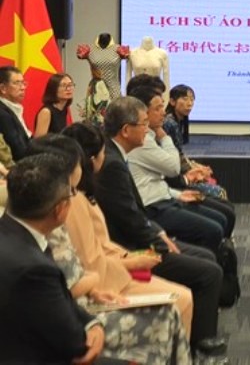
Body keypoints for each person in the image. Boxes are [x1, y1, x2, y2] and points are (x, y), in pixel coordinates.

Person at [28, 134, 193, 364]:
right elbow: (80, 273)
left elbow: (88, 258)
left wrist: (114, 268)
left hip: (99, 282)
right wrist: (128, 263)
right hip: (84, 303)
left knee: (175, 304)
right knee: (179, 302)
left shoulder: (72, 198)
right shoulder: (67, 204)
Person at [93, 96, 227, 356]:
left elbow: (133, 212)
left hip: (144, 229)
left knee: (208, 255)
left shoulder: (115, 155)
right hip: (130, 248)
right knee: (209, 271)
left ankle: (198, 333)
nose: (148, 129)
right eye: (144, 124)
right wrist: (158, 241)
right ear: (126, 130)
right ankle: (199, 345)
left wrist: (158, 232)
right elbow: (129, 218)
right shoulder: (111, 164)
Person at [0, 153, 105, 363]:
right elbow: (75, 344)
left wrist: (91, 323)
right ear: (60, 209)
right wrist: (96, 330)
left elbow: (61, 299)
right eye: (71, 194)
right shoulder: (35, 269)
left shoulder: (18, 233)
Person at [127, 85, 226, 252]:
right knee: (217, 222)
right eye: (158, 108)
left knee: (222, 216)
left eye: (192, 99)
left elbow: (164, 173)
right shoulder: (146, 139)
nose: (163, 112)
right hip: (156, 206)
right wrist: (163, 135)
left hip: (167, 194)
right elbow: (173, 168)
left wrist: (182, 189)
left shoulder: (150, 135)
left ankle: (220, 254)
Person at [163, 83, 230, 203]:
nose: (189, 103)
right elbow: (175, 157)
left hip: (177, 171)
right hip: (172, 177)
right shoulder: (170, 123)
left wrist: (196, 167)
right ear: (172, 101)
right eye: (185, 99)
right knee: (219, 192)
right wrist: (196, 169)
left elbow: (179, 155)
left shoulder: (176, 121)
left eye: (192, 99)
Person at [0, 66, 31, 160]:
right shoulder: (2, 114)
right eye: (17, 83)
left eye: (23, 83)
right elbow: (18, 150)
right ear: (3, 88)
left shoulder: (13, 108)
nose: (23, 88)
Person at [33, 72, 74, 137]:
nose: (68, 89)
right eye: (63, 85)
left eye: (70, 85)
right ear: (54, 89)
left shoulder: (63, 109)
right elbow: (39, 143)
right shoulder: (46, 112)